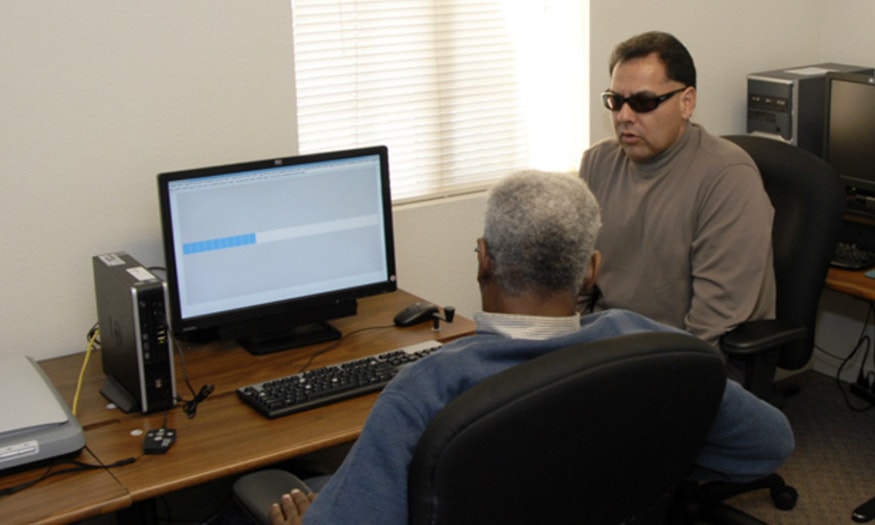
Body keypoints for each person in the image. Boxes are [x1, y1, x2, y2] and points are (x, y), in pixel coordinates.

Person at [268, 170, 793, 525]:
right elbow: (769, 444)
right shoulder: (656, 348)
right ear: (591, 269)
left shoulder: (424, 391)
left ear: (482, 260)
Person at [579, 30, 776, 347]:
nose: (624, 116)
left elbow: (714, 322)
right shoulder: (597, 163)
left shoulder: (728, 178)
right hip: (608, 347)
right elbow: (577, 283)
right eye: (615, 101)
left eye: (643, 102)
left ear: (687, 102)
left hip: (683, 359)